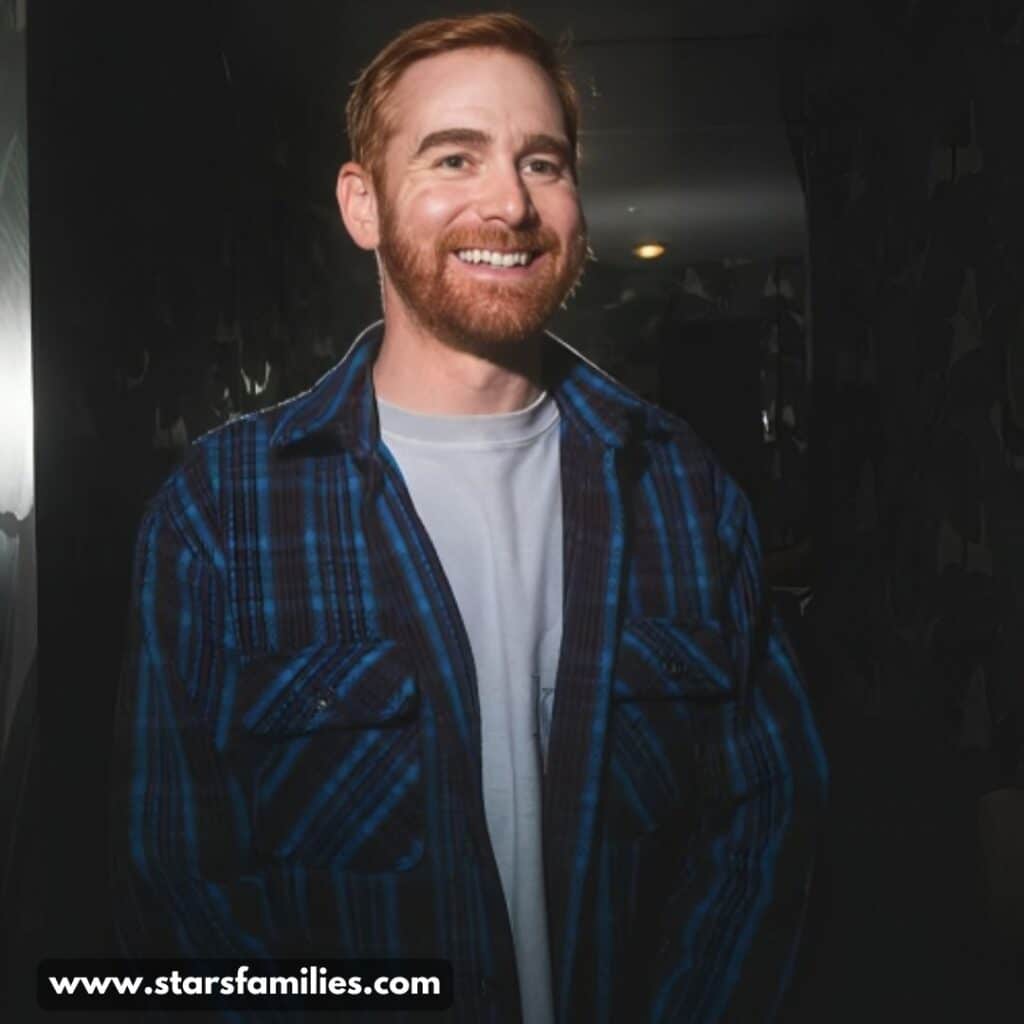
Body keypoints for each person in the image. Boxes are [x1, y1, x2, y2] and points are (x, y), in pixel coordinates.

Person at [111, 12, 827, 1022]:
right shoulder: (220, 512)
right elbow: (177, 884)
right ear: (362, 203)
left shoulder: (683, 488)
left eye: (543, 163)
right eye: (455, 156)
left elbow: (768, 825)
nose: (510, 203)